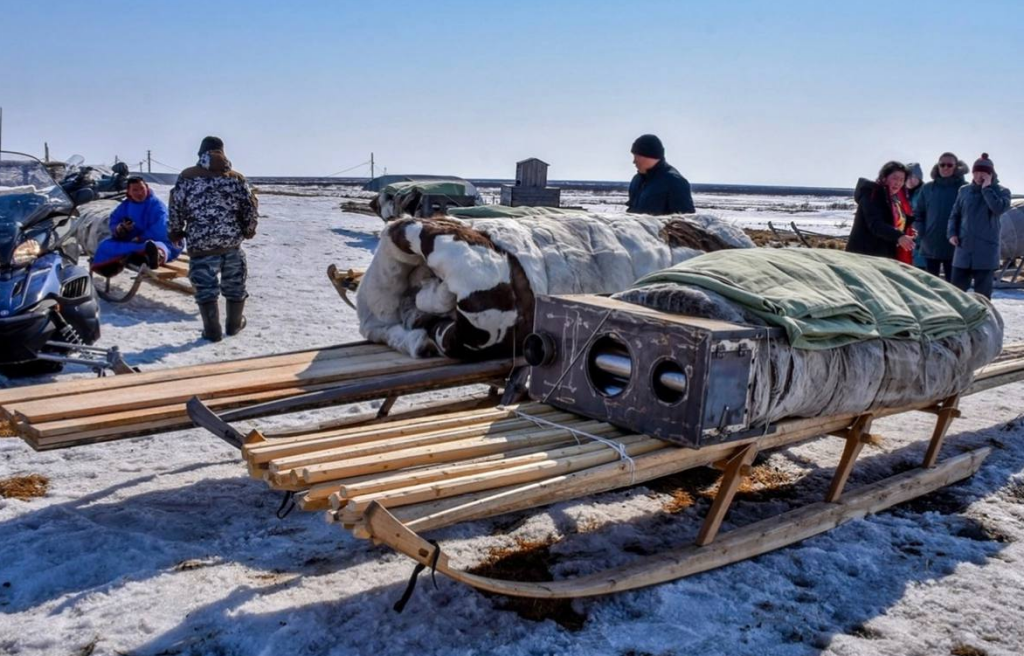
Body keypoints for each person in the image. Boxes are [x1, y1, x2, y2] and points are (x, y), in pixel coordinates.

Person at [168, 136, 259, 342]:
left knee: (205, 288)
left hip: (201, 244)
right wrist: (248, 230)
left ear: (200, 153)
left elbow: (176, 206)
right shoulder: (236, 178)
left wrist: (175, 231)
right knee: (235, 284)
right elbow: (249, 207)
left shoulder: (187, 176)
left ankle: (212, 331)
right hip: (231, 243)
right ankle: (234, 325)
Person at [947, 153, 1012, 299]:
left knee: (982, 296)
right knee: (956, 295)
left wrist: (986, 189)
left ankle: (983, 321)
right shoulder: (964, 191)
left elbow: (998, 209)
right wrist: (951, 234)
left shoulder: (1002, 191)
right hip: (963, 249)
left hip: (986, 252)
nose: (979, 175)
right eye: (976, 172)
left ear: (990, 174)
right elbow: (954, 215)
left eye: (983, 172)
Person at [91, 176, 181, 277]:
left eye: (142, 189)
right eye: (135, 190)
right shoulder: (125, 206)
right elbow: (114, 219)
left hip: (160, 240)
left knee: (159, 246)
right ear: (129, 192)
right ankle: (138, 255)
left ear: (146, 187)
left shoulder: (157, 205)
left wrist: (140, 237)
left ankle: (156, 255)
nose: (139, 193)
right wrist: (120, 228)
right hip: (134, 241)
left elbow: (162, 228)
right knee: (106, 244)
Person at [912, 153, 967, 282]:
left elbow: (970, 216)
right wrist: (921, 232)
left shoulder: (964, 189)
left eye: (949, 165)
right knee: (930, 289)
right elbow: (918, 213)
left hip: (955, 246)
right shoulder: (927, 188)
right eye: (942, 164)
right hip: (930, 244)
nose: (945, 168)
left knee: (954, 288)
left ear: (956, 167)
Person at [845, 161, 916, 260]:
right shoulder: (872, 194)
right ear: (884, 178)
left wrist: (908, 224)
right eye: (895, 178)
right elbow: (876, 224)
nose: (898, 183)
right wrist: (899, 236)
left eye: (902, 179)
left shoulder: (894, 199)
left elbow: (891, 220)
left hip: (883, 255)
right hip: (865, 256)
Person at [626, 134, 696, 215]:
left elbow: (685, 222)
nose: (634, 161)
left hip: (661, 228)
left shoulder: (674, 181)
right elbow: (632, 211)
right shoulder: (636, 180)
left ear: (649, 156)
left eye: (637, 157)